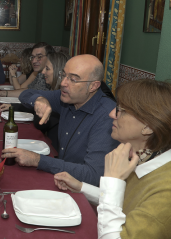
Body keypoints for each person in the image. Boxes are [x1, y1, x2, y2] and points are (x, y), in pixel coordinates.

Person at [54, 79, 171, 238]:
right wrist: (82, 187)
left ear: (148, 127)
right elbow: (123, 201)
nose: (111, 114)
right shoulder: (145, 156)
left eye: (121, 110)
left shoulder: (165, 191)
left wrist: (113, 179)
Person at [2, 55, 118, 186]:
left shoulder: (108, 116)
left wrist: (38, 160)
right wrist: (39, 100)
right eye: (63, 75)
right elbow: (25, 94)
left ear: (93, 86)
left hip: (84, 194)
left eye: (73, 79)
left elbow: (94, 175)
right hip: (61, 177)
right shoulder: (67, 96)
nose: (63, 83)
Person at [0, 52, 69, 149]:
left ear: (59, 72)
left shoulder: (63, 99)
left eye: (47, 68)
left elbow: (39, 124)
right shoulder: (54, 92)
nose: (43, 72)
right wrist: (14, 106)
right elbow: (26, 94)